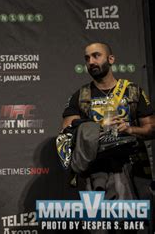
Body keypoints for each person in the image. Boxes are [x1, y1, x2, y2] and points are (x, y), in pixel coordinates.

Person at [61, 42, 154, 231]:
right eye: (87, 58)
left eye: (96, 56)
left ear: (111, 59)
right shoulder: (80, 96)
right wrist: (97, 128)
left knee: (132, 227)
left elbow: (151, 128)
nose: (91, 61)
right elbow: (66, 129)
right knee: (96, 228)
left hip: (130, 168)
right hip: (94, 172)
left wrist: (129, 129)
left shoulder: (132, 91)